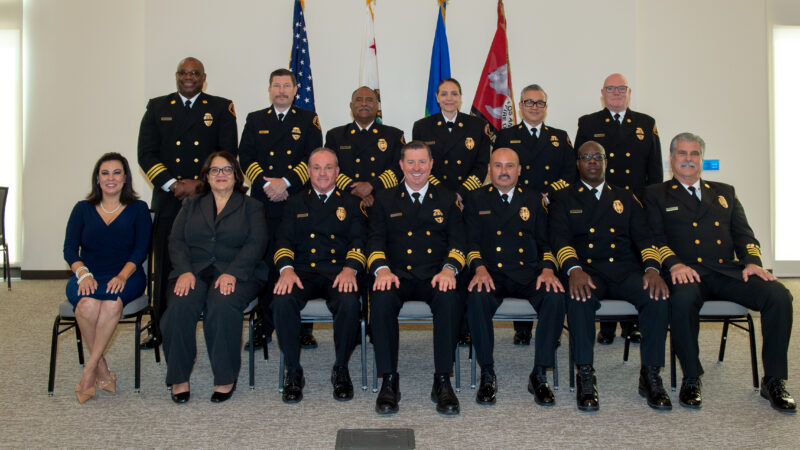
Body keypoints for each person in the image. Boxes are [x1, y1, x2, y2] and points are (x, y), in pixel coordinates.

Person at [645, 132, 795, 413]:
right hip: (686, 272)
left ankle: (774, 380)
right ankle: (692, 377)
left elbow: (743, 233)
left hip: (726, 270)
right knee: (682, 301)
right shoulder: (656, 194)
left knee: (779, 296)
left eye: (694, 154)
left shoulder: (724, 191)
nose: (688, 159)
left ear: (701, 159)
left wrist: (752, 260)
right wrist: (674, 263)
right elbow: (654, 238)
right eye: (682, 153)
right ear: (671, 158)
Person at [548, 141, 671, 412]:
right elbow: (559, 239)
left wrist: (652, 269)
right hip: (587, 271)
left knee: (657, 296)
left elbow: (645, 238)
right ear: (578, 163)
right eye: (586, 157)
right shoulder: (564, 198)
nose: (592, 161)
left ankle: (650, 375)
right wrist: (573, 269)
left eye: (598, 157)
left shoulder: (625, 197)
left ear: (605, 162)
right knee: (579, 298)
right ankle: (586, 375)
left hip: (625, 270)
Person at [137, 57, 238, 350]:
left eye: (194, 73)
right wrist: (173, 183)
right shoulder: (157, 107)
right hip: (169, 198)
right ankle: (159, 326)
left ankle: (211, 317)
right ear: (176, 76)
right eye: (183, 72)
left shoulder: (220, 108)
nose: (188, 77)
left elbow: (228, 151)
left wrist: (200, 182)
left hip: (210, 198)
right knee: (166, 261)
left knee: (211, 256)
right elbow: (146, 153)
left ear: (204, 77)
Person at [160, 152, 268, 404]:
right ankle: (179, 376)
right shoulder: (191, 204)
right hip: (194, 271)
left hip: (239, 272)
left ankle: (224, 376)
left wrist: (233, 272)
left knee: (221, 303)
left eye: (227, 170)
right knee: (179, 305)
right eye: (215, 170)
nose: (221, 175)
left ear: (237, 175)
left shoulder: (252, 206)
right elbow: (175, 241)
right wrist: (185, 270)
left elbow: (256, 243)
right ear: (206, 177)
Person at [368, 140, 465, 416]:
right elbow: (374, 241)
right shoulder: (384, 199)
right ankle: (388, 380)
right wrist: (381, 269)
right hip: (396, 274)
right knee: (382, 300)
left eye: (422, 162)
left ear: (431, 165)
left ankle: (443, 380)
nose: (417, 168)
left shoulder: (447, 199)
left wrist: (449, 268)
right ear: (401, 165)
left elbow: (459, 242)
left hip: (435, 274)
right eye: (410, 162)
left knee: (449, 300)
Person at [463, 148, 566, 406]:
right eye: (498, 166)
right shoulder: (475, 199)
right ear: (489, 169)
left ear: (519, 170)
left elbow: (546, 243)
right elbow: (470, 243)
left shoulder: (534, 200)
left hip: (528, 272)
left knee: (555, 295)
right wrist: (478, 267)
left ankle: (539, 374)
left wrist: (547, 269)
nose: (504, 171)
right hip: (491, 272)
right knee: (475, 297)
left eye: (510, 166)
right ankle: (487, 372)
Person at [271, 148, 366, 403]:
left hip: (338, 271)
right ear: (309, 171)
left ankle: (341, 368)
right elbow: (283, 240)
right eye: (316, 167)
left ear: (337, 171)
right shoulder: (294, 202)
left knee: (348, 302)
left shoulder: (351, 203)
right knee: (282, 299)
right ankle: (293, 370)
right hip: (301, 270)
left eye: (328, 167)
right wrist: (286, 269)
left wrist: (350, 268)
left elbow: (359, 240)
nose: (322, 173)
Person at [238, 68, 323, 351]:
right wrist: (268, 185)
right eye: (277, 85)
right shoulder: (255, 119)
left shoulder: (308, 119)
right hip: (264, 200)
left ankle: (302, 328)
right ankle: (264, 326)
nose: (282, 90)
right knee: (266, 264)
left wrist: (285, 182)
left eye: (287, 86)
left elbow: (313, 157)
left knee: (300, 260)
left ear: (296, 90)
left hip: (298, 199)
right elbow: (245, 156)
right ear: (270, 89)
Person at [574, 73, 662, 345]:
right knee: (602, 258)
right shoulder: (588, 123)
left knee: (632, 260)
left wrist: (651, 204)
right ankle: (608, 327)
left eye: (620, 88)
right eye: (610, 89)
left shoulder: (646, 124)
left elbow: (654, 169)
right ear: (603, 93)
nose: (616, 93)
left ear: (628, 92)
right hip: (598, 205)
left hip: (633, 205)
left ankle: (632, 324)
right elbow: (578, 164)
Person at [63, 153, 151, 403]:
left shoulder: (138, 209)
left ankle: (89, 370)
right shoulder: (82, 209)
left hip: (127, 274)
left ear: (125, 179)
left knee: (112, 302)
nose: (111, 178)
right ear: (97, 179)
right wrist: (82, 274)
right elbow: (70, 249)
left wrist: (123, 276)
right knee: (87, 304)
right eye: (105, 173)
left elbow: (141, 250)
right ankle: (101, 369)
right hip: (88, 274)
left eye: (116, 172)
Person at [494, 84, 576, 346]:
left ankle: (550, 322)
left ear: (545, 107)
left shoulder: (560, 137)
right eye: (529, 102)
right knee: (521, 258)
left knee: (549, 255)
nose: (534, 107)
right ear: (520, 106)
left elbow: (570, 174)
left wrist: (548, 194)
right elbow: (503, 172)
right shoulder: (506, 135)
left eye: (539, 103)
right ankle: (523, 328)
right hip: (516, 207)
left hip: (551, 206)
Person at [412, 77, 491, 347]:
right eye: (443, 93)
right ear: (436, 97)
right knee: (444, 251)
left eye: (454, 93)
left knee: (465, 255)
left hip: (467, 200)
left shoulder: (476, 125)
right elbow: (422, 165)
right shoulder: (422, 126)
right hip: (436, 201)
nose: (448, 98)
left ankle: (464, 325)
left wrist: (461, 194)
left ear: (460, 97)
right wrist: (445, 197)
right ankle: (446, 315)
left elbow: (482, 166)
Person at [325, 86, 405, 207]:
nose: (363, 103)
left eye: (369, 100)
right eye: (359, 100)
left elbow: (399, 168)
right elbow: (328, 167)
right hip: (344, 202)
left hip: (383, 202)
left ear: (377, 106)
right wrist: (355, 190)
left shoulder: (394, 135)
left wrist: (372, 186)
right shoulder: (335, 136)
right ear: (351, 106)